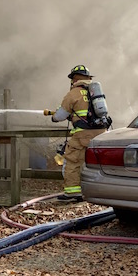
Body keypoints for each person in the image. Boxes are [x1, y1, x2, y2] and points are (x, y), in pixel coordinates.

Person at [48, 65, 108, 201]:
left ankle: (72, 192)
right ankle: (97, 190)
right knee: (92, 162)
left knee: (72, 162)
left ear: (74, 79)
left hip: (82, 136)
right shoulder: (94, 92)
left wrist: (54, 117)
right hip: (100, 134)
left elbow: (59, 116)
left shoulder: (73, 93)